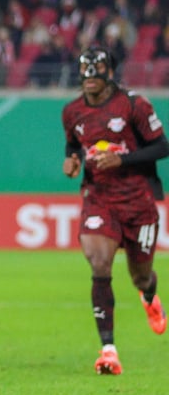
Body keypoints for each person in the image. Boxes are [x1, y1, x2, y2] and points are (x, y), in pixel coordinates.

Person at [62, 46, 169, 375]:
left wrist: (121, 159)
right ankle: (108, 350)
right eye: (85, 71)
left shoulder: (133, 104)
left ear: (110, 73)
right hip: (99, 198)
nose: (90, 77)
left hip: (137, 201)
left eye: (97, 70)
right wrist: (73, 159)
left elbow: (162, 146)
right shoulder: (72, 111)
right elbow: (73, 142)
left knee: (140, 275)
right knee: (99, 262)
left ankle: (149, 295)